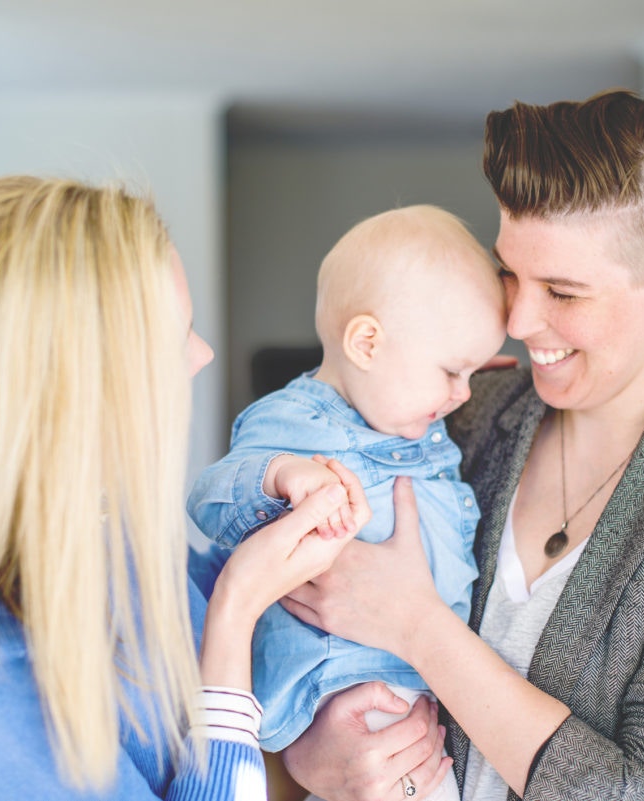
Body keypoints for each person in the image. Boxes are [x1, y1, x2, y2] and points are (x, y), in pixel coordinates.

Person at [255, 90, 644, 800]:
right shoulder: (453, 413)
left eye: (562, 291)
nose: (519, 320)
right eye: (509, 273)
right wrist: (301, 758)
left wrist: (418, 627)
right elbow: (270, 644)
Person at [0, 175, 377, 800]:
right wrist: (236, 610)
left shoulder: (100, 531)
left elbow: (208, 618)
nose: (201, 354)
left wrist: (276, 495)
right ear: (76, 383)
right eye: (175, 337)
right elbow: (225, 627)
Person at [187, 205, 508, 800]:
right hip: (343, 684)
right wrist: (280, 474)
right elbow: (209, 498)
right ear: (366, 343)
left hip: (419, 682)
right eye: (452, 371)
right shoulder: (295, 422)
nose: (464, 394)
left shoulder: (416, 423)